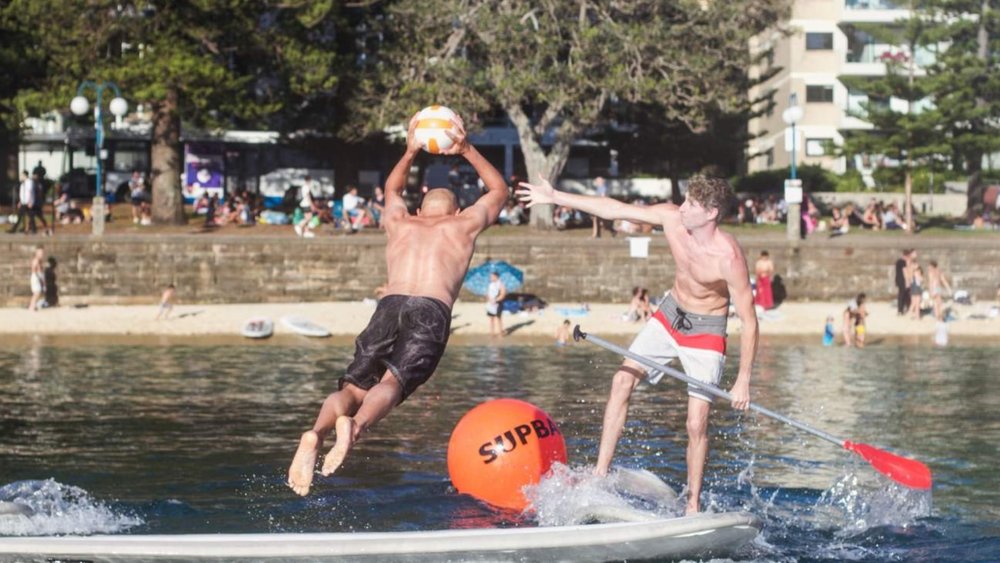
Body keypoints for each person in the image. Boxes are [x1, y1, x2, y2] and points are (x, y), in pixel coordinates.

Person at [287, 111, 508, 497]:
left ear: (419, 211)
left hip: (388, 304)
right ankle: (354, 429)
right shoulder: (463, 224)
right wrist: (466, 148)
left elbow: (391, 191)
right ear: (456, 211)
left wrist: (409, 153)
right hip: (430, 308)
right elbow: (499, 190)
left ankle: (316, 432)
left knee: (354, 387)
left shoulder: (400, 222)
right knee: (393, 382)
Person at [517, 174, 757, 514]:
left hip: (706, 332)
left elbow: (749, 320)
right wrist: (555, 195)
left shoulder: (728, 257)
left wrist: (743, 378)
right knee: (621, 380)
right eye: (685, 200)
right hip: (669, 316)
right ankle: (599, 474)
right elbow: (615, 209)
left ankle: (692, 504)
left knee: (695, 422)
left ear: (712, 213)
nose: (682, 208)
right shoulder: (673, 219)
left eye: (691, 204)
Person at [486, 271, 507, 337]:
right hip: (490, 303)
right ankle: (492, 332)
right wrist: (489, 299)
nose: (491, 278)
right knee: (491, 318)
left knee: (498, 318)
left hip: (498, 303)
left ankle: (501, 332)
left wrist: (496, 300)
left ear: (496, 277)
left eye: (492, 276)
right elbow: (487, 293)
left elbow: (503, 294)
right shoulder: (490, 284)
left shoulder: (501, 284)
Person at [895, 249, 915, 315]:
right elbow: (905, 271)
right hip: (902, 281)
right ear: (906, 255)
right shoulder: (902, 262)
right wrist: (908, 281)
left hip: (899, 280)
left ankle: (905, 308)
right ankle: (900, 310)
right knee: (902, 295)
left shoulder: (899, 261)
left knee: (905, 295)